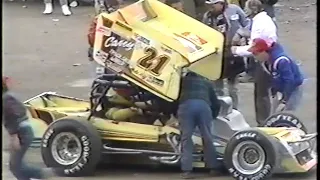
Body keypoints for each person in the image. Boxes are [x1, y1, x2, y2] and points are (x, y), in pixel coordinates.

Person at [230, 0, 278, 125]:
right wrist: (241, 33)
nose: (245, 11)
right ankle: (263, 120)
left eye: (247, 8)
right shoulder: (261, 20)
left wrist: (236, 50)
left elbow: (254, 47)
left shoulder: (260, 23)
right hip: (265, 56)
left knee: (262, 94)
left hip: (264, 59)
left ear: (254, 9)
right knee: (261, 93)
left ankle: (263, 122)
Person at [2, 76, 57, 180]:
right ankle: (41, 174)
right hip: (22, 131)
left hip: (22, 132)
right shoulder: (7, 97)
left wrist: (14, 137)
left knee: (15, 166)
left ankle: (44, 174)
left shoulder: (6, 98)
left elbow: (16, 115)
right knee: (15, 166)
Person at [202, 0, 249, 109]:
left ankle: (234, 110)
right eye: (208, 5)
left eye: (213, 5)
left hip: (232, 52)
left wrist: (240, 35)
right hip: (216, 55)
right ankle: (220, 110)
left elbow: (247, 24)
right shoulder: (207, 16)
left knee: (233, 88)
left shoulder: (234, 10)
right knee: (217, 87)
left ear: (221, 3)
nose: (210, 7)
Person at [178, 71, 221, 179]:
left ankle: (186, 170)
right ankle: (213, 167)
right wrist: (213, 116)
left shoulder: (181, 82)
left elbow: (172, 100)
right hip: (204, 106)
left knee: (186, 138)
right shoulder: (206, 82)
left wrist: (174, 114)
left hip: (186, 106)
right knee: (207, 137)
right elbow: (216, 103)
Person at [247, 38, 304, 111]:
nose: (254, 57)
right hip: (281, 88)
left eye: (256, 54)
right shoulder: (265, 62)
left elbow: (290, 81)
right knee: (276, 114)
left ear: (263, 52)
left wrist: (284, 101)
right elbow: (273, 78)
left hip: (294, 87)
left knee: (288, 113)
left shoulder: (281, 61)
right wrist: (275, 93)